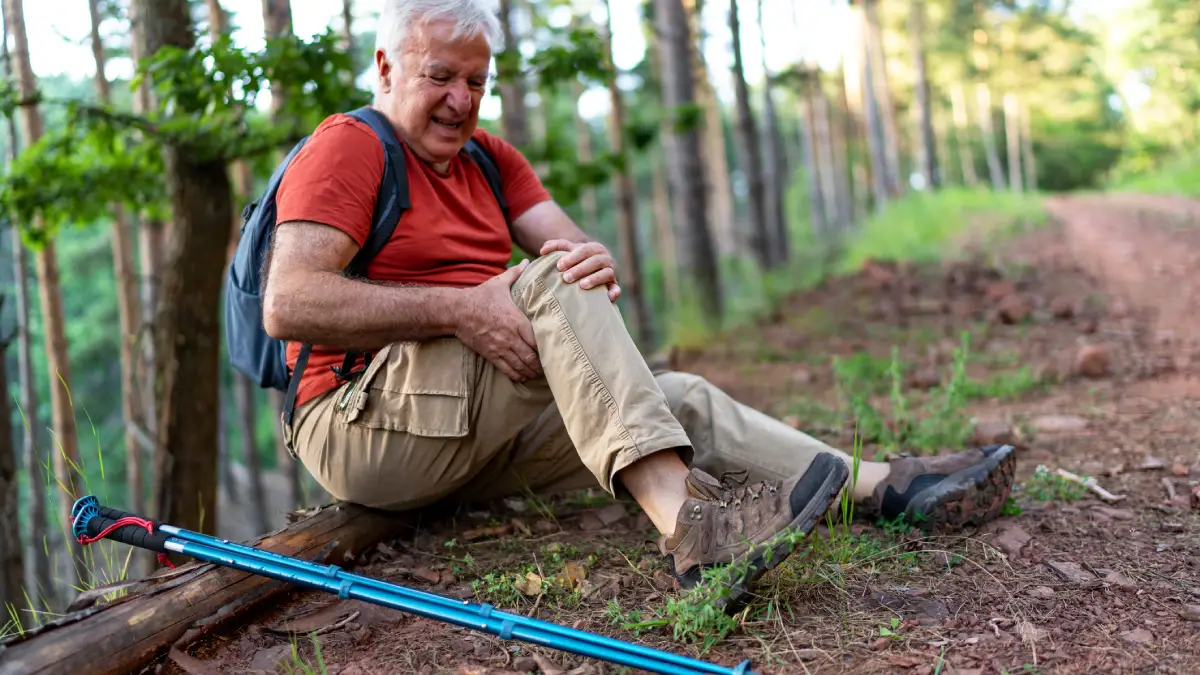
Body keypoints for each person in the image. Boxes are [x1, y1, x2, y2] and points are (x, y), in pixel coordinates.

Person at [261, 0, 1016, 612]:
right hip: (356, 428)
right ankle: (693, 531)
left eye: (476, 81)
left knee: (674, 394)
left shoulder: (489, 161)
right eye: (440, 77)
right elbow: (288, 303)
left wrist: (591, 262)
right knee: (552, 283)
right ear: (386, 67)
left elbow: (570, 252)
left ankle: (888, 488)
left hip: (464, 432)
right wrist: (460, 309)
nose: (461, 100)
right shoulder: (351, 147)